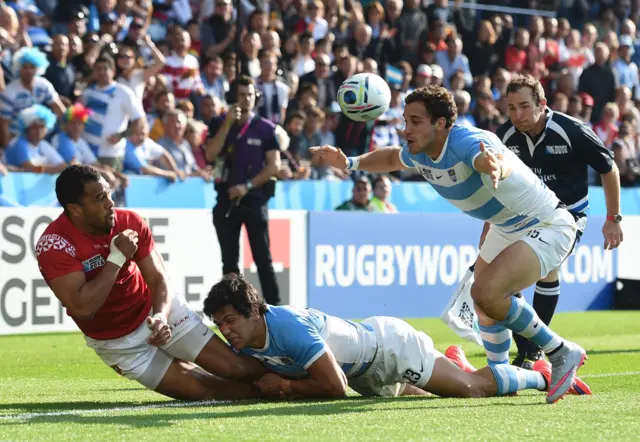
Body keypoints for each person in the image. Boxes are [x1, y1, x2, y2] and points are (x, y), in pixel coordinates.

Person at [310, 85, 586, 404]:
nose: (406, 128)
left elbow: (488, 157)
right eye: (404, 120)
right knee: (482, 304)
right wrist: (349, 162)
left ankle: (561, 352)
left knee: (487, 293)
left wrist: (495, 166)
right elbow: (390, 158)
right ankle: (496, 373)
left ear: (440, 124)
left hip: (546, 222)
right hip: (507, 224)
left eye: (415, 121)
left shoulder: (465, 140)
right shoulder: (420, 149)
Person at [35, 164, 267, 400]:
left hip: (155, 311)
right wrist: (116, 257)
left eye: (108, 193)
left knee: (235, 368)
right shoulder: (54, 244)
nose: (110, 203)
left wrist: (160, 316)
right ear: (75, 209)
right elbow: (83, 308)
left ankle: (299, 377)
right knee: (210, 391)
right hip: (117, 343)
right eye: (100, 198)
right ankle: (286, 389)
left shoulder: (128, 221)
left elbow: (158, 279)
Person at [203, 273, 557, 400]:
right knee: (426, 394)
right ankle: (453, 364)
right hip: (365, 374)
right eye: (220, 324)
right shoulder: (248, 339)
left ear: (253, 311)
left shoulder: (287, 326)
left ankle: (539, 376)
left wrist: (286, 388)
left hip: (390, 349)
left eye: (231, 320)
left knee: (470, 389)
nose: (226, 330)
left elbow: (335, 385)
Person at [494, 74, 623, 369]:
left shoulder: (572, 130)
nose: (518, 115)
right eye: (512, 108)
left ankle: (535, 350)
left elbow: (609, 167)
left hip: (568, 216)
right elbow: (495, 185)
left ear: (542, 103)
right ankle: (527, 348)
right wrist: (490, 225)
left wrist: (613, 219)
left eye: (524, 106)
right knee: (505, 280)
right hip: (523, 216)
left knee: (546, 268)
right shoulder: (505, 136)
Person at [204, 75, 281, 305]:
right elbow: (209, 155)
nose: (246, 99)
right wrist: (228, 123)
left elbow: (274, 165)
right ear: (232, 98)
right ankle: (234, 308)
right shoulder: (220, 122)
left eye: (249, 95)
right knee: (229, 262)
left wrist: (246, 186)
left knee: (263, 259)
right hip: (226, 200)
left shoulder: (266, 128)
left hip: (254, 199)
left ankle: (277, 308)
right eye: (241, 95)